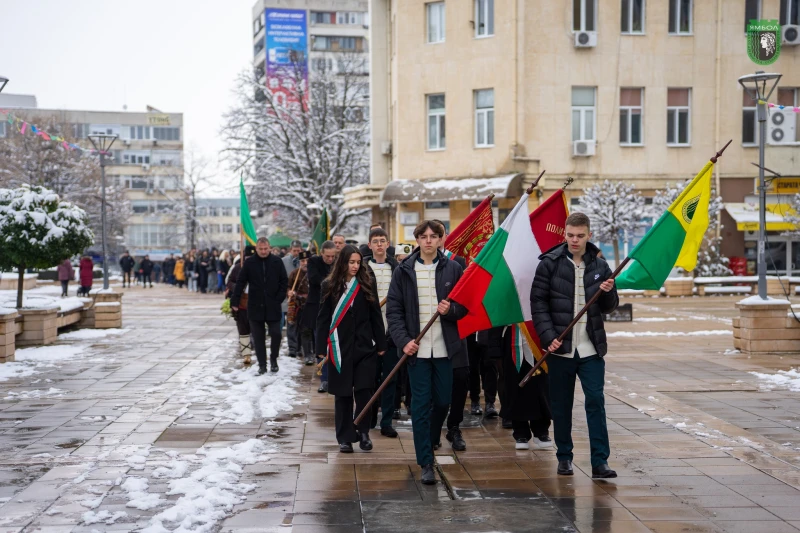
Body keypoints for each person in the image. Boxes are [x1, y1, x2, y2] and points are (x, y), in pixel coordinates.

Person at [531, 212, 619, 479]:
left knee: (595, 401)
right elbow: (538, 304)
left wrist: (609, 291)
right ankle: (565, 457)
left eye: (580, 235)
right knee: (561, 404)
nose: (574, 240)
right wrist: (548, 337)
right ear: (564, 234)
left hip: (591, 349)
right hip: (561, 349)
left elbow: (609, 307)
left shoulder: (600, 266)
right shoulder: (549, 264)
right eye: (570, 235)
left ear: (589, 235)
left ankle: (600, 461)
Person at [386, 220, 467, 485]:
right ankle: (425, 462)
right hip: (417, 351)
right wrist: (403, 341)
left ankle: (432, 437)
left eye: (434, 236)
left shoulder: (454, 269)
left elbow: (464, 307)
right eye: (424, 236)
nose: (429, 241)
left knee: (443, 401)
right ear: (417, 240)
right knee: (420, 405)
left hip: (445, 349)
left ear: (442, 239)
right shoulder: (403, 270)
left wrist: (450, 310)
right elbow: (394, 311)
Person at [316, 245, 387, 453]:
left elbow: (375, 314)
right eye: (351, 262)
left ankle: (363, 432)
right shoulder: (330, 285)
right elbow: (323, 317)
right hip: (340, 348)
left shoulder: (366, 282)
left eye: (358, 262)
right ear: (343, 263)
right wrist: (320, 346)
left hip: (365, 347)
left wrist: (381, 343)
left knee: (365, 391)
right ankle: (345, 437)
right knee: (343, 394)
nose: (355, 266)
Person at [490, 325, 553, 450]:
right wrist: (494, 348)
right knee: (515, 388)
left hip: (537, 338)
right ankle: (520, 432)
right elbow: (496, 319)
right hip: (511, 341)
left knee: (540, 387)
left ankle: (541, 430)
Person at [363, 227, 400, 438]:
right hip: (369, 332)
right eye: (375, 241)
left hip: (392, 331)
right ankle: (367, 418)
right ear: (369, 245)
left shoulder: (397, 267)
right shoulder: (363, 268)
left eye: (382, 241)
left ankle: (386, 421)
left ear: (388, 244)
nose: (379, 244)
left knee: (389, 379)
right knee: (368, 378)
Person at [231, 237, 288, 375]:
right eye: (260, 249)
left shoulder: (277, 261)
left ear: (269, 248)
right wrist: (235, 301)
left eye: (265, 249)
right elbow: (240, 282)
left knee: (276, 334)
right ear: (256, 249)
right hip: (255, 305)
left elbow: (284, 281)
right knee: (258, 337)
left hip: (273, 305)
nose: (263, 251)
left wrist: (279, 298)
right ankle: (262, 364)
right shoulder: (249, 263)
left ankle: (273, 359)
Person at [306, 240, 337, 392]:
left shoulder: (337, 262)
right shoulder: (313, 261)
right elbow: (314, 279)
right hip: (318, 308)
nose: (330, 260)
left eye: (332, 257)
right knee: (321, 343)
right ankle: (324, 378)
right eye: (327, 257)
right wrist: (332, 283)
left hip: (335, 308)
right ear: (322, 253)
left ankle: (333, 376)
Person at [227, 246, 256, 365]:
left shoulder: (260, 268)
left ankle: (258, 353)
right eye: (247, 257)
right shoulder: (238, 267)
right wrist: (237, 288)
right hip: (241, 304)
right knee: (243, 330)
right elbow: (229, 281)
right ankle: (246, 355)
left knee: (255, 330)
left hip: (256, 304)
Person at [287, 250, 313, 365]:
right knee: (299, 328)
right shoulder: (294, 274)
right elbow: (288, 287)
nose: (305, 263)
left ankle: (310, 352)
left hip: (312, 305)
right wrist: (289, 292)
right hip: (299, 305)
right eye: (302, 261)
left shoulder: (314, 273)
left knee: (310, 330)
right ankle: (298, 350)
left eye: (307, 260)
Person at [282, 240, 302, 358]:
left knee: (301, 324)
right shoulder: (284, 262)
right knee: (291, 323)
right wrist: (287, 291)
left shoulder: (304, 261)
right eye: (294, 251)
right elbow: (281, 278)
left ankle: (300, 347)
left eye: (298, 250)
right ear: (290, 250)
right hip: (289, 297)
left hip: (301, 298)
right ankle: (292, 347)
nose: (296, 253)